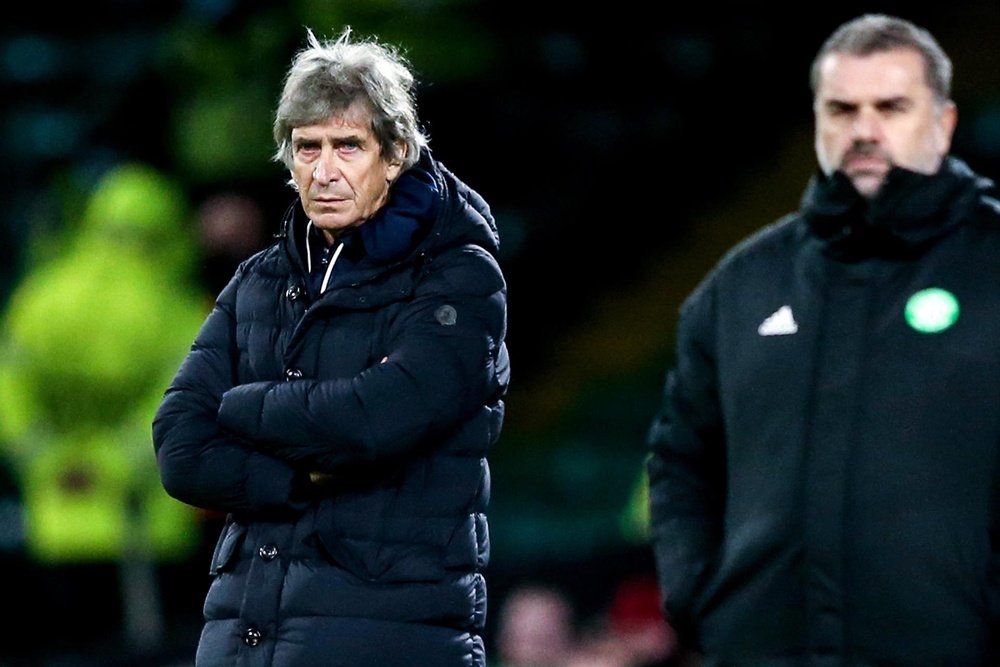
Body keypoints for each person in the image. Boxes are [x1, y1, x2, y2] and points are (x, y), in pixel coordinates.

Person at [646, 13, 1000, 665]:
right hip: (763, 647)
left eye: (891, 107)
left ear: (944, 123)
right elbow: (681, 458)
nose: (865, 130)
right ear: (818, 122)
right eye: (842, 109)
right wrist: (697, 594)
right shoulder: (743, 283)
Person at [152, 26, 510, 667]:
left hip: (390, 636)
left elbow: (379, 418)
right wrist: (294, 473)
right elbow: (180, 447)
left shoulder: (459, 275)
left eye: (348, 146)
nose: (324, 171)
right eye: (306, 147)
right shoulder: (258, 281)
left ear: (396, 153)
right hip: (242, 638)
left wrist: (241, 408)